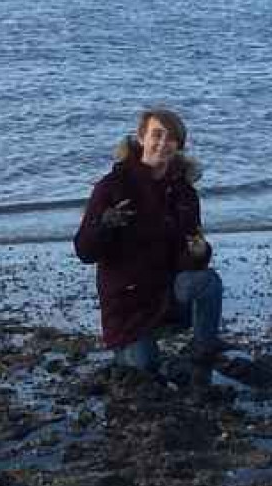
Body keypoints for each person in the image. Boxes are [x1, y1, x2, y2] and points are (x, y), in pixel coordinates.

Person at [74, 107, 225, 374]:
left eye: (171, 138)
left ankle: (203, 350)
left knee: (207, 281)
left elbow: (187, 257)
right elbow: (84, 251)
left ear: (179, 145)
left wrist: (198, 252)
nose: (163, 143)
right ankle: (128, 350)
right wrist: (105, 223)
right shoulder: (112, 186)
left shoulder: (184, 192)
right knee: (146, 366)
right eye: (157, 135)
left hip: (168, 295)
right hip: (127, 304)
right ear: (141, 138)